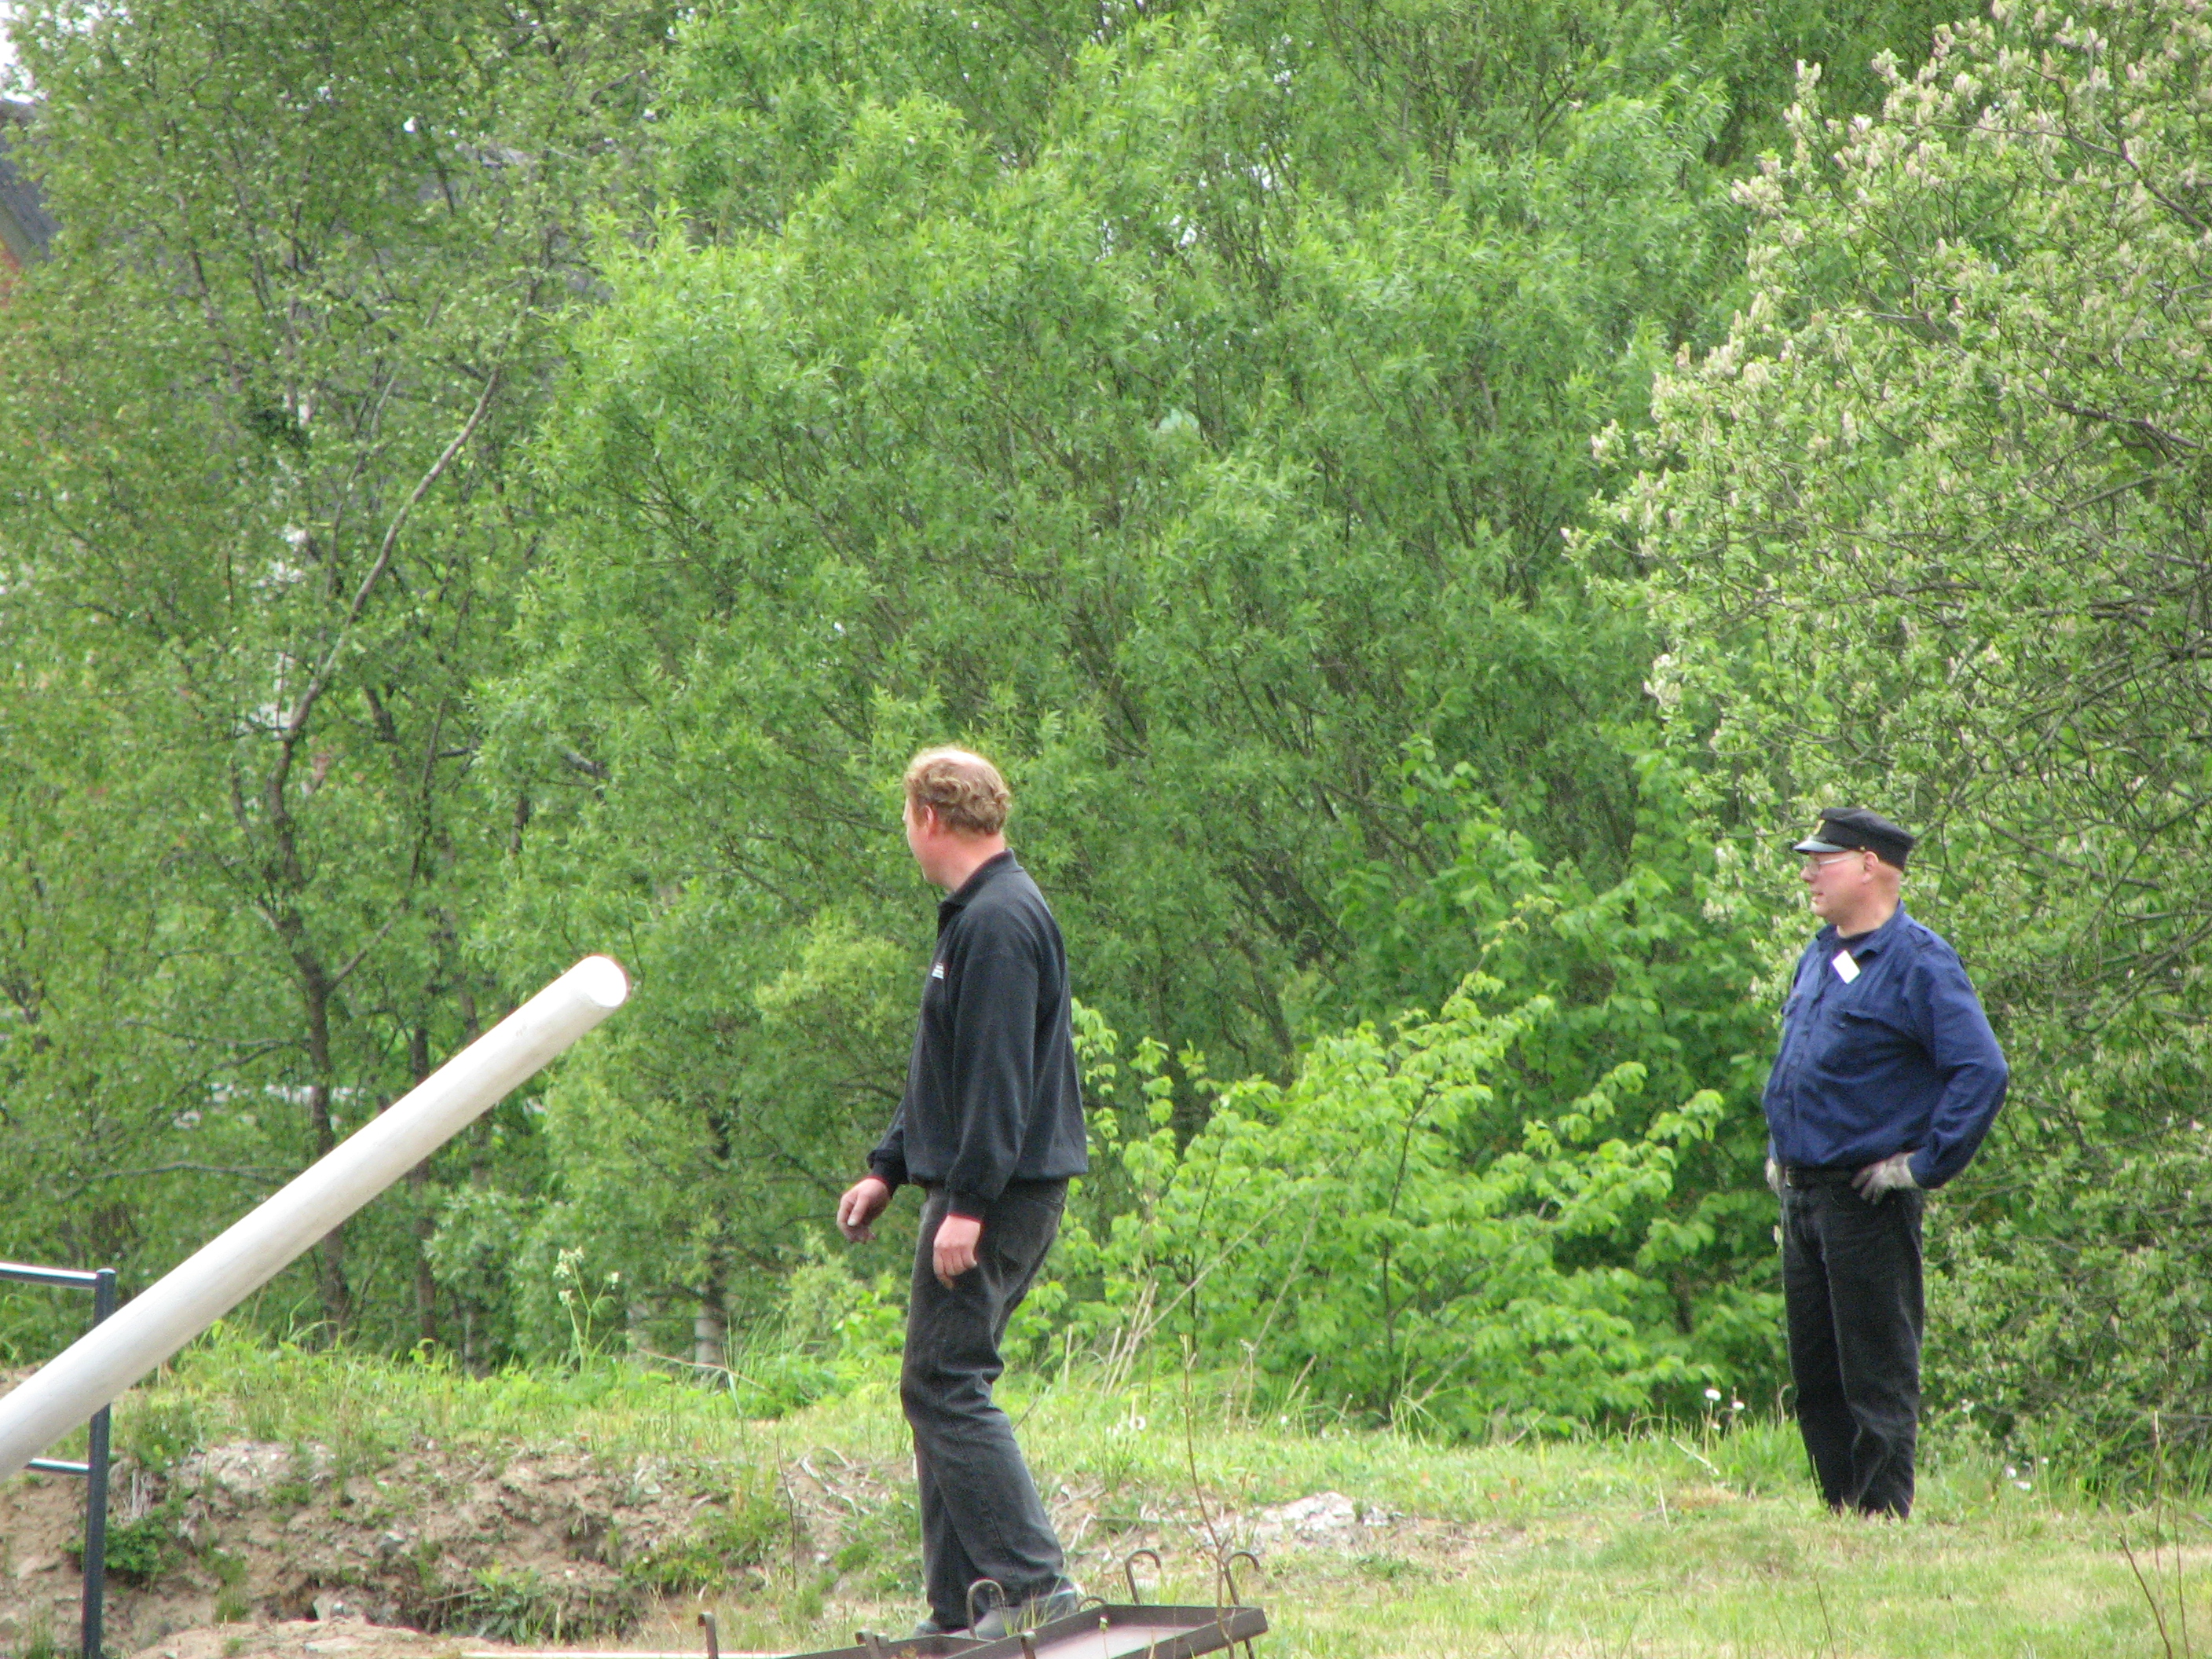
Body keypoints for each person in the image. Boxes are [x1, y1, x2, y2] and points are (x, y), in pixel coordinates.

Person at [836, 747, 1086, 1637]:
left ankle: (1033, 1587)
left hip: (997, 1194)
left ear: (928, 817)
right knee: (934, 1382)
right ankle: (959, 1610)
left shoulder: (1000, 921)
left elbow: (997, 1081)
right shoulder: (977, 915)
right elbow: (945, 1070)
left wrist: (969, 1205)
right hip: (976, 1187)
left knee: (945, 1380)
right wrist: (889, 1166)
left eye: (905, 819)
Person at [1762, 806, 2009, 1519]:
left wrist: (1922, 1166)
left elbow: (1982, 1071)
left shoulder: (1919, 962)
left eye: (1823, 861)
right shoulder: (1819, 954)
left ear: (1870, 865)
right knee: (1817, 1376)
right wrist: (1781, 1150)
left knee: (1876, 1373)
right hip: (1803, 1199)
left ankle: (1881, 1519)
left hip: (1865, 1200)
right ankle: (1842, 1515)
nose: (1808, 875)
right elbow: (1801, 1066)